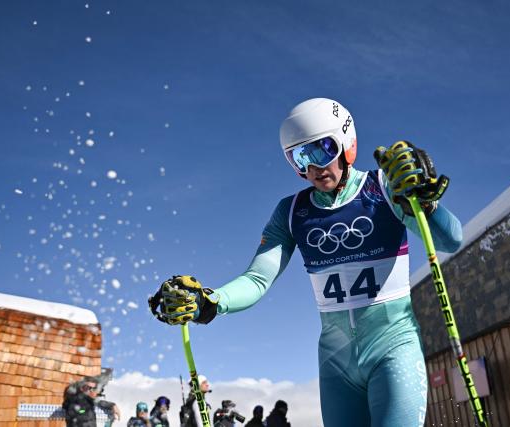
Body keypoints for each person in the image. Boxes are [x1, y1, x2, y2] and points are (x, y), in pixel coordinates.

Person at [149, 98, 463, 426]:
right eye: (299, 157)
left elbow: (450, 240)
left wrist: (425, 203)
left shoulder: (385, 188)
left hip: (393, 348)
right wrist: (209, 301)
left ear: (346, 143)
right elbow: (257, 278)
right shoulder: (291, 212)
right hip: (336, 364)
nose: (312, 167)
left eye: (321, 150)